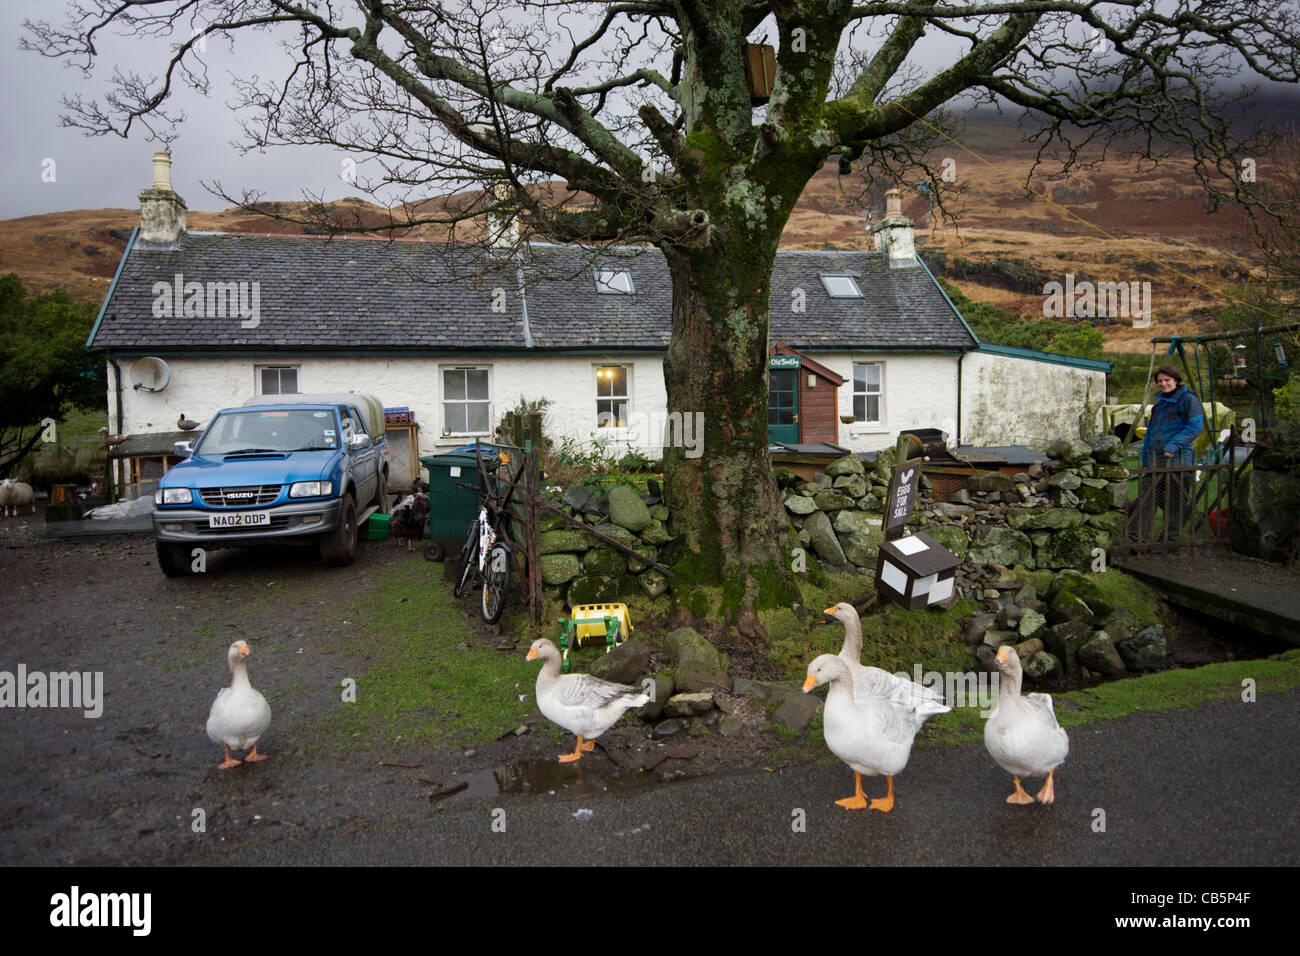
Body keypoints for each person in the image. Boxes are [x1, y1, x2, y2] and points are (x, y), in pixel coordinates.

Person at [1129, 365, 1204, 544]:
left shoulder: (1189, 400)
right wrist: (1146, 459)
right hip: (1155, 462)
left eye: (1167, 380)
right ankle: (1138, 542)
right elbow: (1150, 434)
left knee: (1174, 506)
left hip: (1177, 462)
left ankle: (1170, 543)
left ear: (1175, 380)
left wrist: (1173, 445)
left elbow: (1195, 427)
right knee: (1146, 502)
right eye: (1160, 381)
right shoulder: (1159, 404)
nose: (1163, 384)